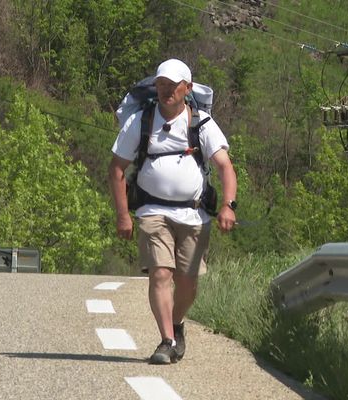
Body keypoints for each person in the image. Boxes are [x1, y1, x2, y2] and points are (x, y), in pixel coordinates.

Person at [108, 58, 237, 365]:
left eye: (173, 86)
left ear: (187, 88)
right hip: (152, 211)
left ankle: (177, 324)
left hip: (194, 215)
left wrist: (228, 206)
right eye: (161, 85)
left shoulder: (201, 123)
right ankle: (166, 340)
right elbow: (116, 169)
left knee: (188, 282)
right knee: (161, 273)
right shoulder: (140, 121)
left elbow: (224, 167)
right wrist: (124, 214)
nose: (166, 91)